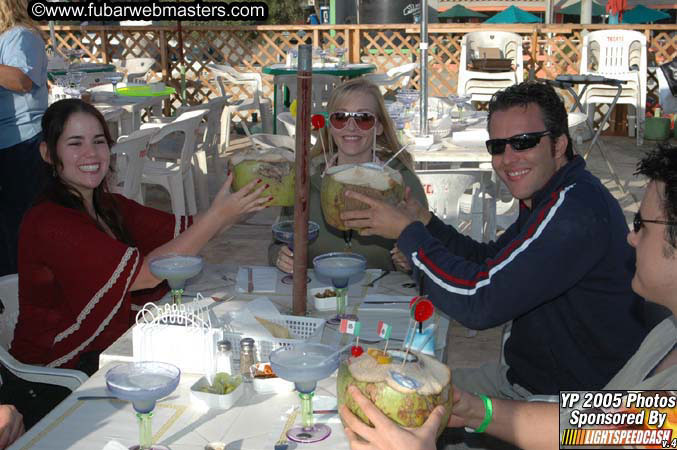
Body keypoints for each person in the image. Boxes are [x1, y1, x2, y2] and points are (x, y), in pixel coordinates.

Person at [340, 144, 677, 450]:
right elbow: (603, 425)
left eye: (641, 225)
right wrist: (479, 411)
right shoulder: (668, 332)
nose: (631, 239)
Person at [341, 81, 652, 397]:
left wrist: (409, 236)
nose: (508, 158)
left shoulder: (572, 212)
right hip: (530, 378)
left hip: (571, 405)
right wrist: (425, 222)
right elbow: (489, 261)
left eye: (523, 142)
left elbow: (480, 303)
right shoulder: (555, 193)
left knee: (389, 400)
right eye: (498, 146)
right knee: (386, 386)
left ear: (559, 145)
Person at [8, 99, 269, 424]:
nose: (90, 153)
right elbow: (145, 276)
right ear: (48, 153)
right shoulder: (50, 222)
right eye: (75, 143)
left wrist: (239, 204)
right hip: (53, 375)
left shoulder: (108, 205)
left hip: (105, 351)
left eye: (99, 141)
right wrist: (218, 217)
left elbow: (189, 230)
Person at [269, 78, 427, 272]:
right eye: (341, 117)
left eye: (363, 118)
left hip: (380, 296)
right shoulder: (305, 178)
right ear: (330, 125)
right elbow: (279, 241)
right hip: (317, 295)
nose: (351, 127)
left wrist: (410, 260)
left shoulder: (400, 180)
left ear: (378, 127)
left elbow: (430, 250)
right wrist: (280, 256)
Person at [0, 0, 48, 276]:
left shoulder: (20, 35)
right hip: (11, 144)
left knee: (20, 226)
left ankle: (26, 291)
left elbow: (21, 80)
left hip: (23, 144)